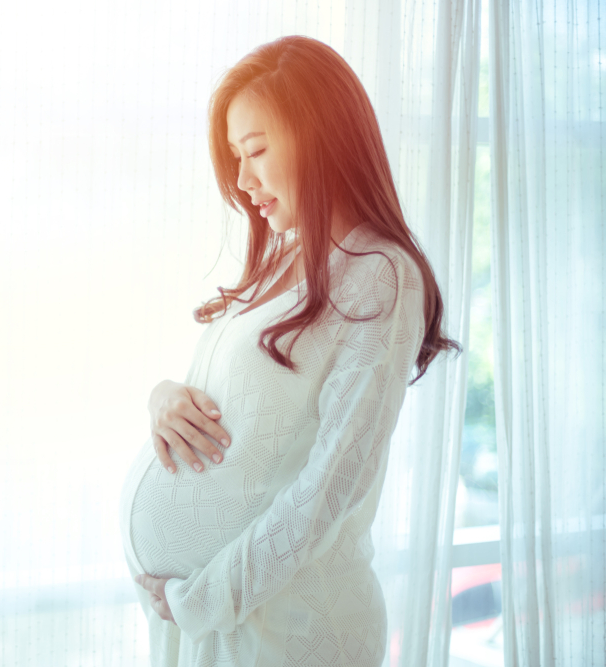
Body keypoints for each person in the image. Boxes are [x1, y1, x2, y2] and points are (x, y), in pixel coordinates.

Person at [118, 36, 460, 667]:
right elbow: (231, 398)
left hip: (282, 633)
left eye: (256, 151)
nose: (243, 182)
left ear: (321, 139)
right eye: (235, 157)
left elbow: (331, 486)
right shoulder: (284, 256)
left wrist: (197, 600)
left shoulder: (382, 275)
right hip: (218, 625)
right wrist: (162, 398)